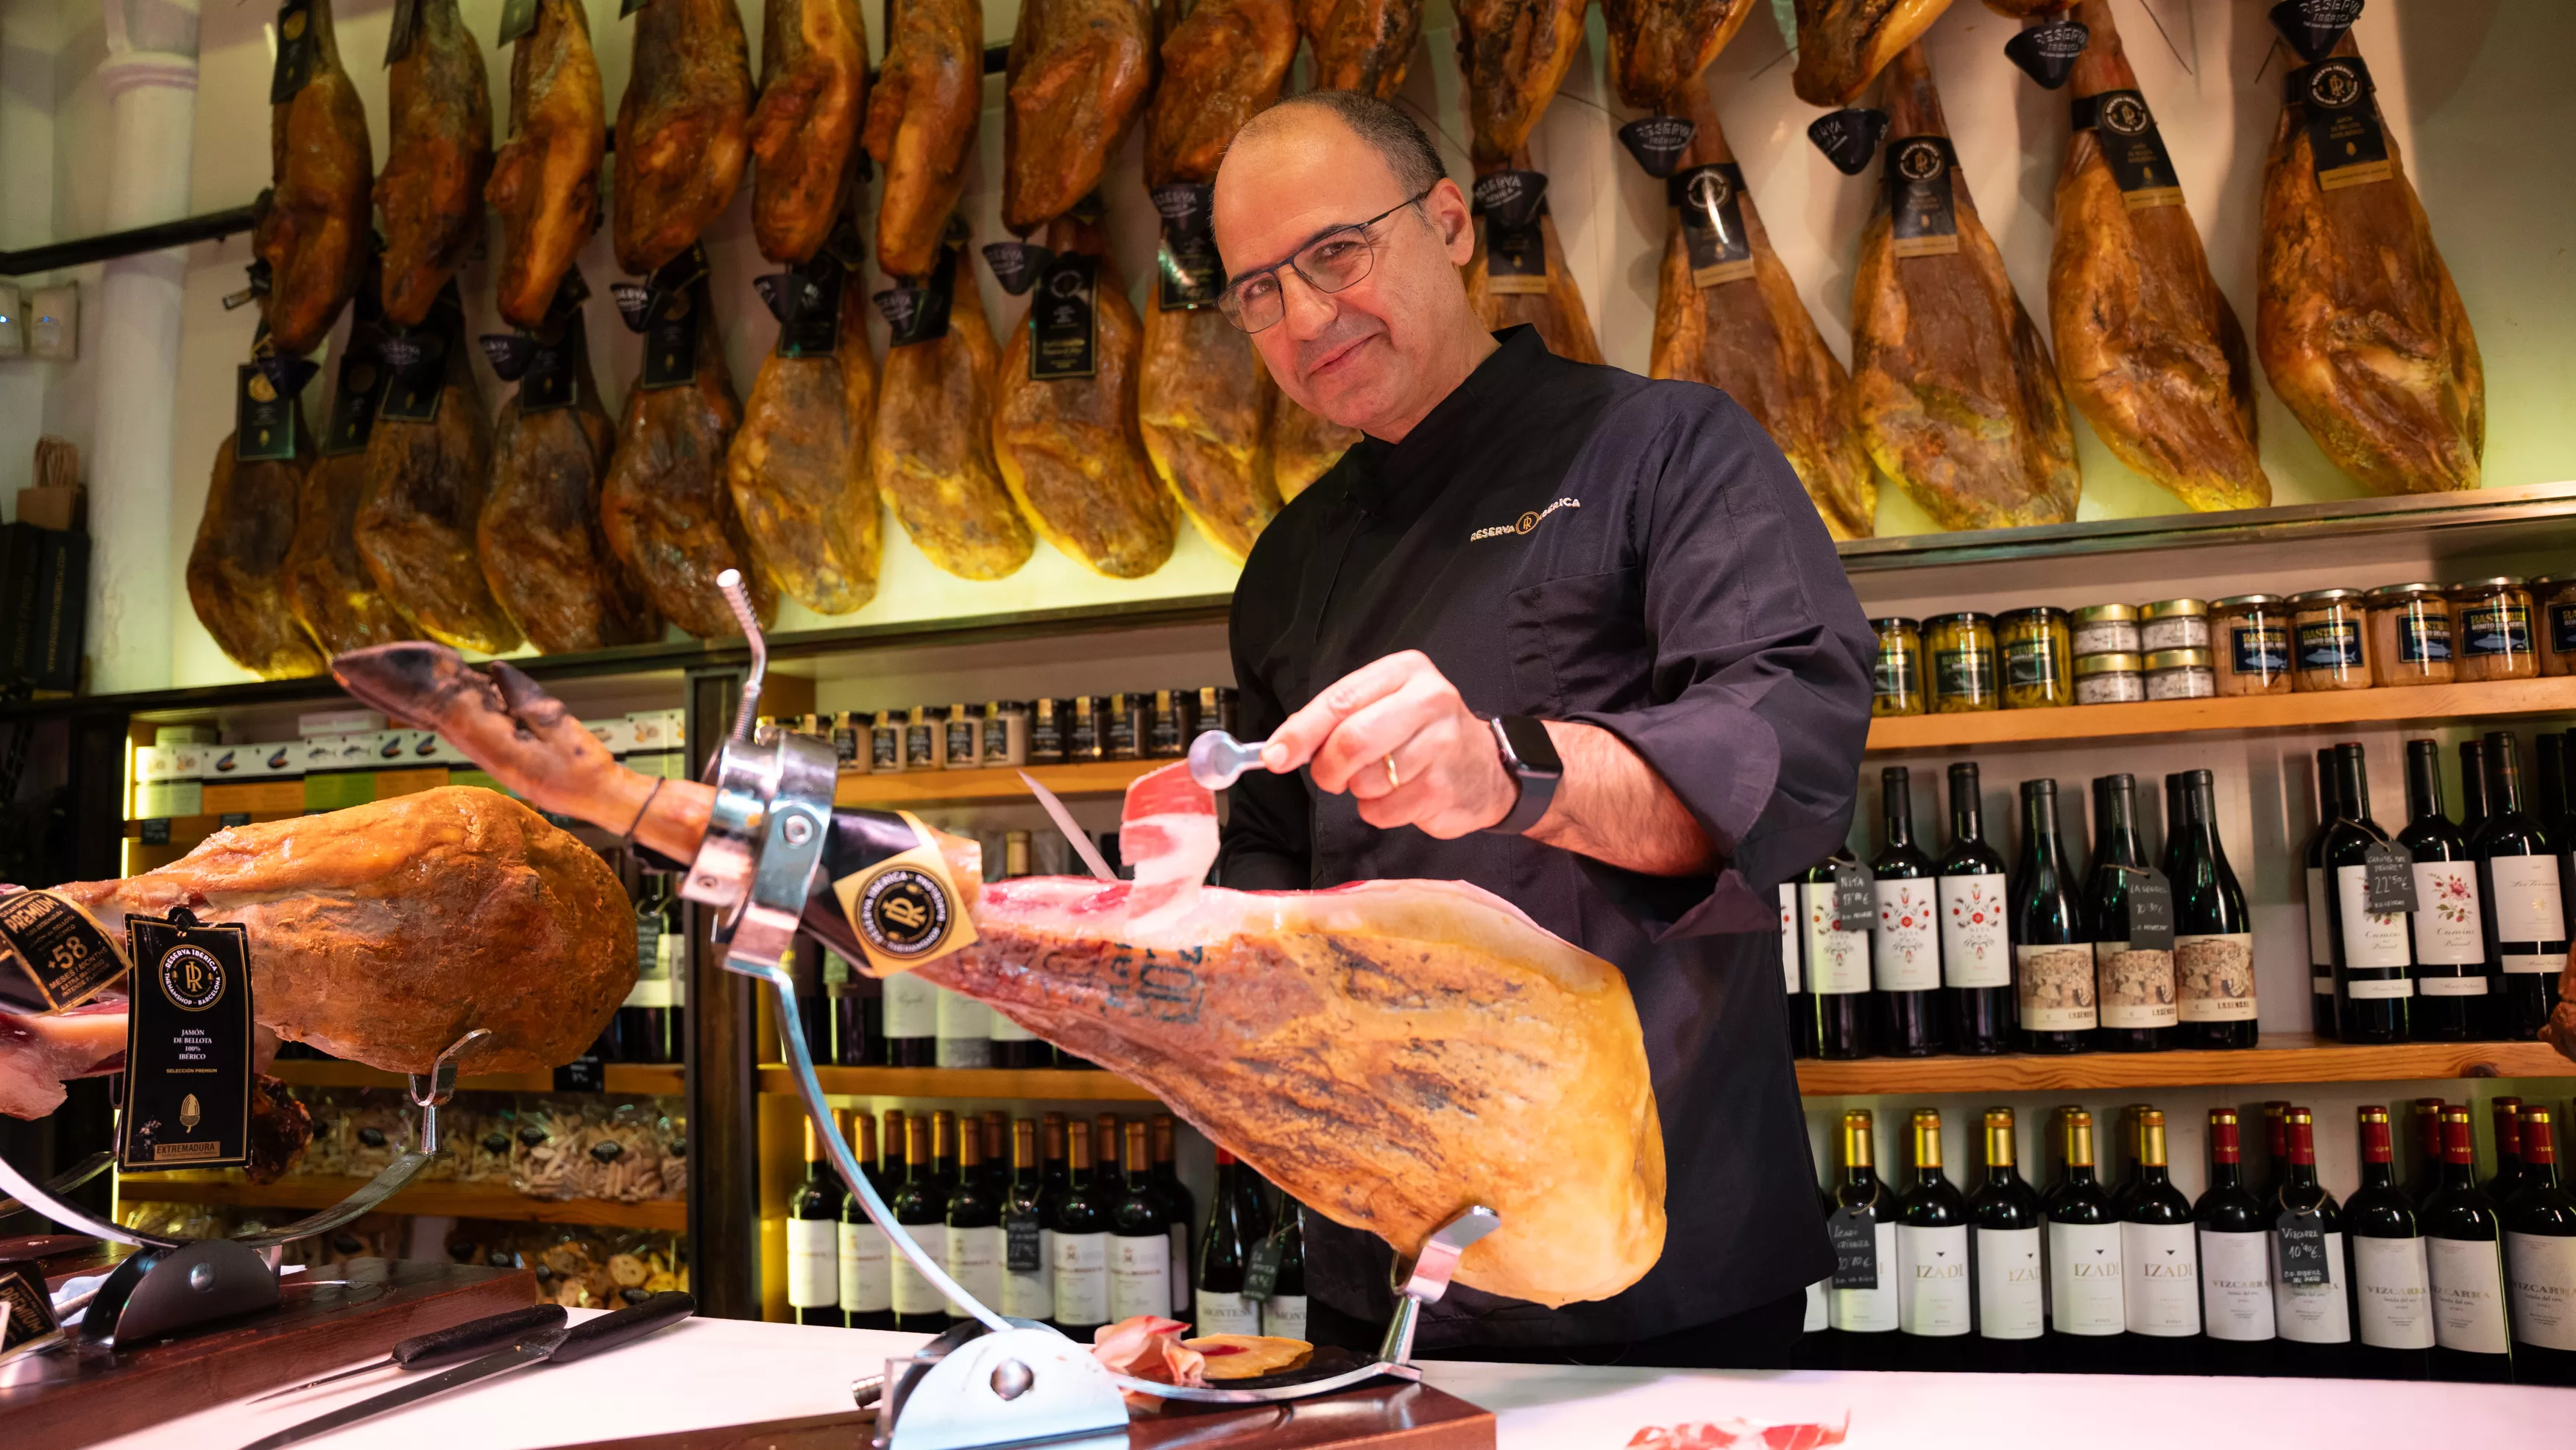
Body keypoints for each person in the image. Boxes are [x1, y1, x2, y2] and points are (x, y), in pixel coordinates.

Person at [1207, 91, 1875, 1365]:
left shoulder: (1665, 447)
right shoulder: (1288, 562)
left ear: (1449, 222)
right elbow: (1266, 861)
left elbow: (1785, 754)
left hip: (1661, 1248)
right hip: (1384, 1262)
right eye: (1256, 290)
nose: (1303, 318)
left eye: (1335, 254)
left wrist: (1512, 766)